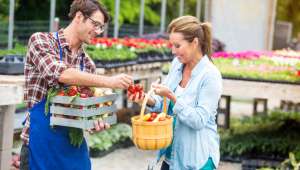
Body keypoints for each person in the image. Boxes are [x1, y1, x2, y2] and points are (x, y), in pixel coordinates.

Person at [19, 0, 133, 169]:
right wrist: (109, 81)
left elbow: (88, 112)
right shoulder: (41, 41)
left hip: (73, 146)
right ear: (79, 17)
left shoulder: (87, 64)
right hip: (38, 144)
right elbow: (61, 74)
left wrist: (96, 121)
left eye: (101, 27)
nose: (98, 31)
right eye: (95, 24)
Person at [129, 15, 222, 170]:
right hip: (171, 157)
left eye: (177, 46)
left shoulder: (210, 76)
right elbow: (164, 105)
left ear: (195, 43)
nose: (173, 51)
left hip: (196, 161)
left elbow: (199, 120)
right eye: (171, 45)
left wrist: (172, 96)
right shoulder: (177, 65)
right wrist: (146, 99)